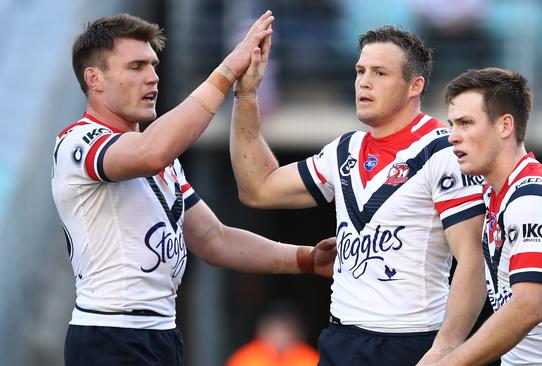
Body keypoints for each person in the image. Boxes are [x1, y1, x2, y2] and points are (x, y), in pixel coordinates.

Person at [51, 12, 337, 366]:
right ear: (94, 79)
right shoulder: (78, 142)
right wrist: (227, 71)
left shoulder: (162, 160)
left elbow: (215, 239)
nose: (153, 77)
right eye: (136, 66)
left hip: (161, 333)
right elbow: (153, 151)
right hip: (110, 333)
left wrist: (306, 258)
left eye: (153, 65)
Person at [229, 25, 487, 365]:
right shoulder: (345, 149)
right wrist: (246, 96)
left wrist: (444, 349)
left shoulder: (443, 152)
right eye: (360, 71)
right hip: (341, 339)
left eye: (379, 73)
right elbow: (258, 189)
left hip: (409, 343)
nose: (364, 82)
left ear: (415, 85)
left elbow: (473, 261)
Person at [423, 67, 542, 365]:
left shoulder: (534, 196)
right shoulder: (496, 192)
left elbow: (527, 307)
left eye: (466, 123)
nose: (452, 137)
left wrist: (449, 362)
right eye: (452, 124)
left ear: (505, 125)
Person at [225, 300, 319, 366]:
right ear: (262, 330)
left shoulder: (311, 359)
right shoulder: (244, 359)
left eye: (287, 329)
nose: (281, 335)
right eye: (275, 329)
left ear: (299, 332)